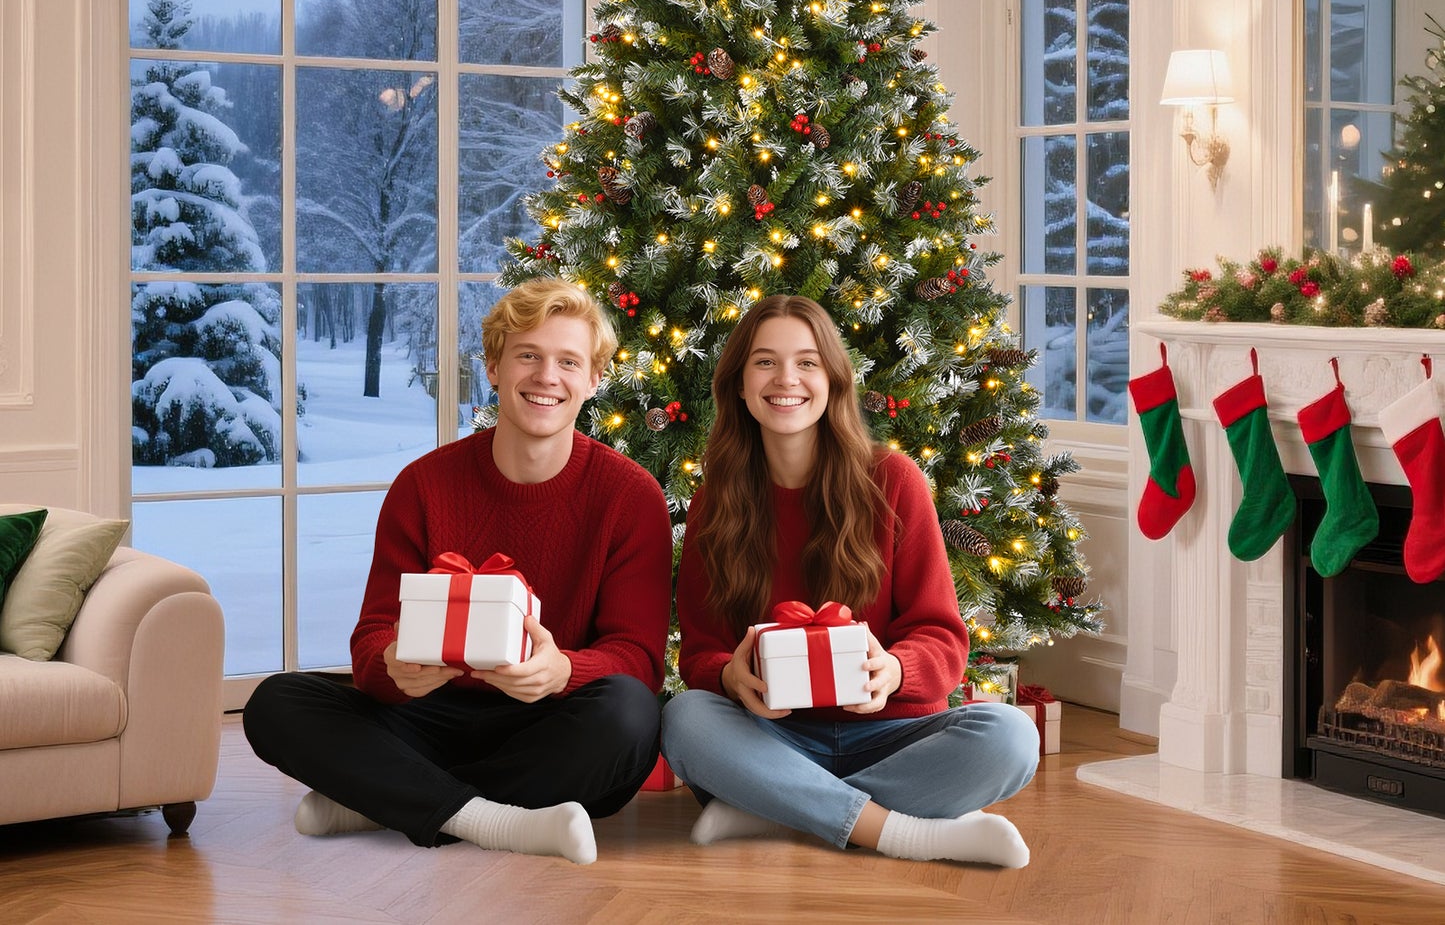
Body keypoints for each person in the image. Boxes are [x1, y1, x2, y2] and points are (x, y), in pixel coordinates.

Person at [244, 277, 673, 865]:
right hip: (428, 715)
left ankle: (383, 799)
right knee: (277, 702)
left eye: (568, 361)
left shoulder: (630, 495)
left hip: (550, 725)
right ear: (494, 367)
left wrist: (563, 670)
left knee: (630, 714)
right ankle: (496, 821)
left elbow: (640, 659)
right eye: (528, 355)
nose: (547, 377)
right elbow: (372, 638)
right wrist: (394, 665)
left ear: (593, 380)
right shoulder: (424, 485)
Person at [660, 294, 1039, 867]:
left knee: (1010, 736)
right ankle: (902, 831)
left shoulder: (892, 479)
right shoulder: (717, 499)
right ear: (738, 384)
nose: (786, 378)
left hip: (891, 734)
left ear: (834, 381)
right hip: (775, 739)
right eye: (764, 362)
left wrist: (895, 670)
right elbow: (701, 652)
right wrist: (730, 676)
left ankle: (775, 809)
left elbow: (941, 635)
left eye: (807, 362)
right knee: (684, 720)